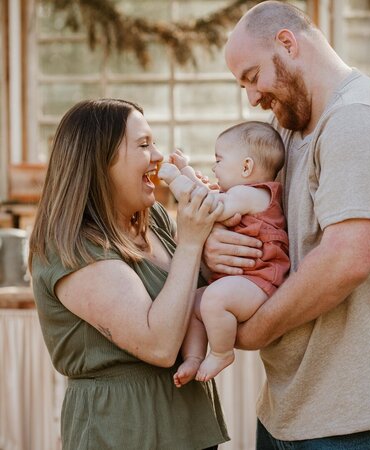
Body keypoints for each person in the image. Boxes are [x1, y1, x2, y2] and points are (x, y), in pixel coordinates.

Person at [203, 1, 370, 449]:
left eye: (252, 77)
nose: (252, 98)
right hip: (295, 411)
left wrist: (256, 331)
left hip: (366, 421)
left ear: (287, 43)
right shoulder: (293, 128)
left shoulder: (358, 120)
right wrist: (217, 243)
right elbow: (261, 217)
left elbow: (345, 260)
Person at [28, 98, 229, 450]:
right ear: (99, 161)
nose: (158, 156)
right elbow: (160, 345)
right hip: (123, 430)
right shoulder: (71, 247)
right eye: (143, 145)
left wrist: (223, 222)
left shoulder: (160, 224)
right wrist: (192, 242)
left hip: (190, 424)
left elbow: (200, 304)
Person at [157, 121, 289, 386]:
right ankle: (194, 357)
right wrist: (186, 171)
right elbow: (208, 194)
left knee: (214, 299)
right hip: (245, 281)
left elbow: (207, 205)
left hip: (261, 282)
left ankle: (221, 352)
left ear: (246, 167)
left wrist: (173, 178)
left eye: (219, 160)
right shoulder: (236, 193)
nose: (215, 167)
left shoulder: (251, 194)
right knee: (196, 302)